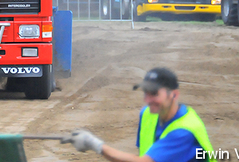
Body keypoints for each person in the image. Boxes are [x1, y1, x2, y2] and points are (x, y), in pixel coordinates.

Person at [64, 67, 217, 162]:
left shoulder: (184, 131)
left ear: (174, 95)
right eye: (146, 93)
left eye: (154, 94)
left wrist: (96, 145)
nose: (148, 100)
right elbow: (144, 152)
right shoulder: (148, 114)